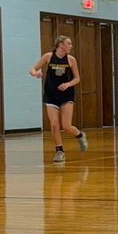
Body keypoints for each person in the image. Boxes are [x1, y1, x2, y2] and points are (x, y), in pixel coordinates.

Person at [30, 35, 88, 163]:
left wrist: (67, 84)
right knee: (54, 125)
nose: (71, 46)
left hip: (66, 95)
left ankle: (79, 135)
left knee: (66, 126)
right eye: (69, 43)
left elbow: (77, 78)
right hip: (51, 95)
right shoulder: (48, 56)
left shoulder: (71, 60)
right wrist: (36, 73)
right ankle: (59, 151)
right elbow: (32, 69)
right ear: (61, 45)